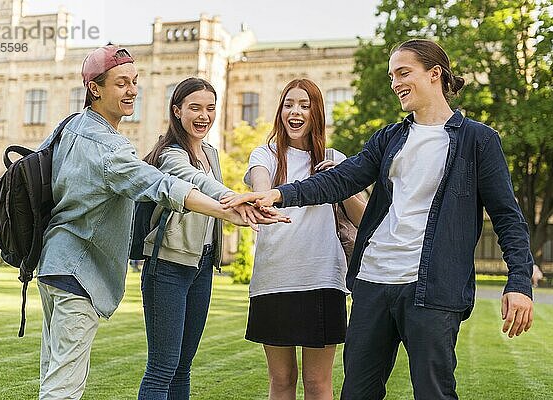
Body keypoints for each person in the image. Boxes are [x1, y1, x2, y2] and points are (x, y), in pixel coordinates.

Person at [222, 39, 534, 399]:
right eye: (391, 76)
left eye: (403, 73)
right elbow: (339, 179)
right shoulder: (389, 137)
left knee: (434, 392)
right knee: (356, 392)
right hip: (372, 282)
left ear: (435, 74)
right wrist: (276, 194)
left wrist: (519, 282)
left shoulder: (478, 140)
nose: (395, 83)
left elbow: (508, 218)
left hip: (431, 290)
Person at [35, 45, 284, 400]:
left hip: (56, 265)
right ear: (95, 88)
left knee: (57, 376)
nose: (133, 90)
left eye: (134, 81)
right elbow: (162, 184)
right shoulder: (110, 147)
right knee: (63, 388)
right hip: (78, 269)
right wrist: (229, 209)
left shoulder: (70, 127)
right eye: (122, 83)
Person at [136, 77, 280, 399]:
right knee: (162, 367)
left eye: (210, 108)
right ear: (177, 111)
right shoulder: (170, 154)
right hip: (168, 266)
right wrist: (235, 198)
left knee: (184, 366)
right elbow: (195, 182)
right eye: (195, 108)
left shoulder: (212, 153)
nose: (204, 115)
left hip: (201, 266)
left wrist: (242, 204)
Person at [243, 78, 366, 400]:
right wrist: (261, 199)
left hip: (322, 278)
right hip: (274, 279)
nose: (295, 112)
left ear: (316, 113)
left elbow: (364, 219)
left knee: (317, 383)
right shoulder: (265, 154)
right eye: (288, 104)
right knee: (281, 381)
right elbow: (260, 190)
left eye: (304, 105)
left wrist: (340, 180)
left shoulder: (335, 158)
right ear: (280, 111)